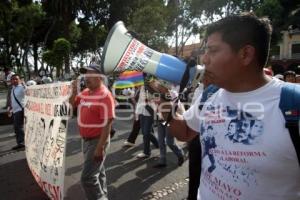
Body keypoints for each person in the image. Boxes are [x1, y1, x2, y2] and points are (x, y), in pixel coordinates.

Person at [152, 13, 300, 200]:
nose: (204, 60)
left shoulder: (293, 103)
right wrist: (165, 100)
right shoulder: (211, 94)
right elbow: (185, 132)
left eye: (212, 51)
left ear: (245, 54)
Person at [69, 62, 115, 200]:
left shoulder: (105, 95)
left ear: (100, 77)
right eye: (85, 74)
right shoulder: (85, 92)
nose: (86, 77)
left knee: (87, 178)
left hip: (97, 140)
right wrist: (74, 92)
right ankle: (103, 195)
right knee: (98, 171)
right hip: (86, 140)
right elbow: (71, 105)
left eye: (90, 74)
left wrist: (100, 147)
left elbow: (108, 124)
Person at [7, 74, 25, 150]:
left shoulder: (22, 88)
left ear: (19, 80)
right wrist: (10, 108)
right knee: (16, 127)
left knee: (18, 127)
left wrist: (25, 85)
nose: (14, 80)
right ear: (11, 81)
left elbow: (30, 93)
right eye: (13, 79)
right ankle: (20, 142)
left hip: (20, 110)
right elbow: (12, 100)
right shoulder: (13, 89)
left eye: (16, 79)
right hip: (14, 110)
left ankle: (21, 142)